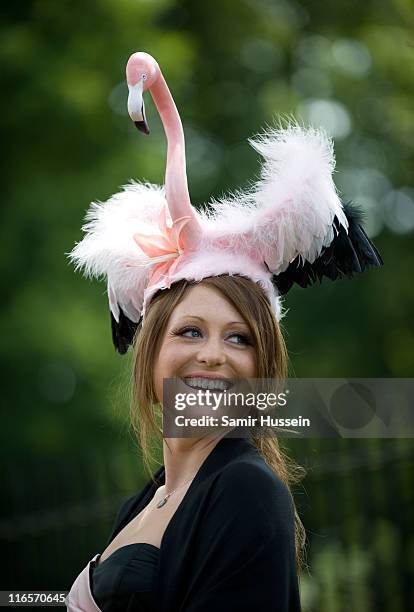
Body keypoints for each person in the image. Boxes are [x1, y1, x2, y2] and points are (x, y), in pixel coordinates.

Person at [65, 52, 383, 611]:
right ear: (150, 351)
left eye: (240, 338)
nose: (213, 356)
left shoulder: (245, 491)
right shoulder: (146, 501)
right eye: (190, 332)